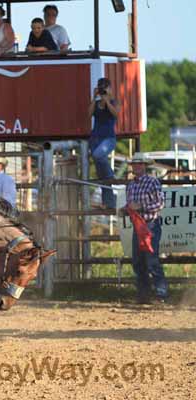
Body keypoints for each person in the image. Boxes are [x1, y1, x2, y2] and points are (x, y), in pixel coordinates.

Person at [123, 153, 167, 304]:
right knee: (138, 261)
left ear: (145, 166)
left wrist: (140, 206)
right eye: (135, 164)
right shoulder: (131, 185)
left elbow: (160, 204)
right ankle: (144, 294)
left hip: (150, 226)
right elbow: (131, 205)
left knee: (151, 260)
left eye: (139, 164)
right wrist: (125, 209)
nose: (137, 166)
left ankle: (161, 294)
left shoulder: (152, 182)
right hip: (138, 226)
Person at [88, 77, 120, 208]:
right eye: (102, 88)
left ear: (110, 89)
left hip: (108, 139)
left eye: (105, 87)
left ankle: (111, 175)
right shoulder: (95, 103)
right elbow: (88, 114)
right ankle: (109, 202)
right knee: (102, 175)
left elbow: (116, 114)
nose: (104, 90)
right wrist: (93, 97)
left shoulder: (114, 102)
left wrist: (107, 102)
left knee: (97, 156)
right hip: (95, 139)